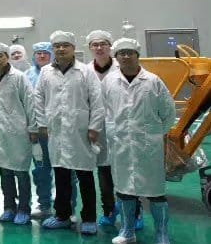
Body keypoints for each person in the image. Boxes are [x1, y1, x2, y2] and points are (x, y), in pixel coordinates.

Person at [102, 38, 176, 244]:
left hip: (148, 146)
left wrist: (153, 133)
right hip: (121, 144)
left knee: (156, 192)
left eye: (130, 52)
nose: (126, 56)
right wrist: (113, 131)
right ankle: (127, 231)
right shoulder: (109, 81)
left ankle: (161, 234)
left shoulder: (153, 81)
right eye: (121, 53)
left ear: (137, 55)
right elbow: (105, 110)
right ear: (116, 57)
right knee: (125, 190)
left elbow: (168, 113)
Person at [37, 31, 104, 235]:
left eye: (65, 45)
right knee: (61, 175)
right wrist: (42, 124)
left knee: (85, 176)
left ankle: (89, 218)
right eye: (57, 46)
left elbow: (97, 101)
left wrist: (94, 127)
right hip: (56, 132)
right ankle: (62, 216)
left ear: (73, 48)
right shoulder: (46, 72)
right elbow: (38, 98)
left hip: (80, 131)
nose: (61, 49)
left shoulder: (85, 71)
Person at [0, 43, 37, 226]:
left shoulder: (19, 78)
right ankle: (8, 207)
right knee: (5, 171)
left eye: (1, 55)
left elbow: (30, 103)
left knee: (21, 172)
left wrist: (33, 128)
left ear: (7, 57)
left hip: (19, 131)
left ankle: (24, 208)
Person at [86, 30, 119, 227]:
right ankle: (109, 210)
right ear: (90, 48)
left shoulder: (120, 68)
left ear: (110, 46)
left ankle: (136, 212)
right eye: (95, 45)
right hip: (96, 128)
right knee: (103, 171)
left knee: (126, 171)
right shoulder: (85, 70)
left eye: (103, 44)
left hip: (121, 126)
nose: (99, 48)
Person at [27, 41, 54, 219]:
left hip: (60, 130)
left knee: (67, 170)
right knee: (41, 170)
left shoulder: (57, 74)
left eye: (45, 53)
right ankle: (44, 204)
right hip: (37, 131)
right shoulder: (26, 76)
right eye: (38, 53)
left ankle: (66, 207)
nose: (42, 56)